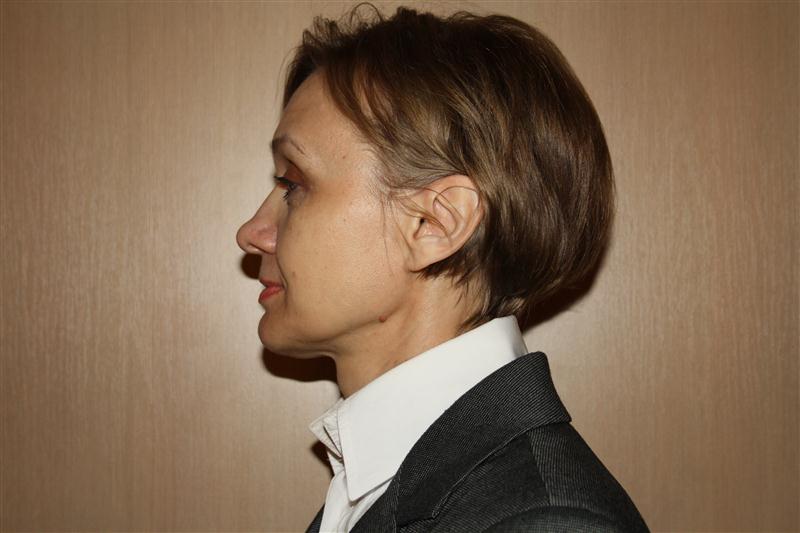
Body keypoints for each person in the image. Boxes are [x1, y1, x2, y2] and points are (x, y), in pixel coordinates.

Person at [236, 4, 649, 532]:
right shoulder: (399, 478)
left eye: (293, 184)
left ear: (434, 223)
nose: (253, 231)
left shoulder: (545, 522)